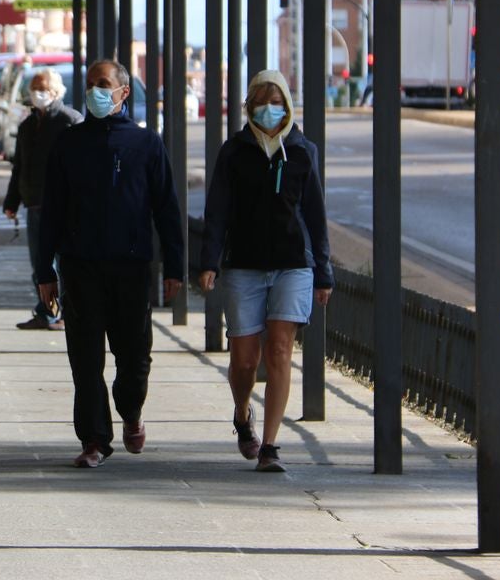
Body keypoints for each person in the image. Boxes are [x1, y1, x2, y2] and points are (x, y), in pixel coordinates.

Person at [37, 59, 185, 469]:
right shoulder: (69, 144)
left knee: (134, 357)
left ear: (123, 92)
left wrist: (175, 266)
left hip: (132, 267)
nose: (94, 92)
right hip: (80, 267)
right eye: (89, 85)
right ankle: (94, 439)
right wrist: (44, 272)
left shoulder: (146, 145)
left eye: (103, 84)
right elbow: (51, 212)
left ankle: (130, 410)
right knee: (85, 358)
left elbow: (167, 210)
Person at [198, 69, 333, 473]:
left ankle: (271, 445)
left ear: (288, 106)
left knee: (279, 349)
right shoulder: (234, 151)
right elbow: (217, 210)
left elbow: (316, 213)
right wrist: (209, 261)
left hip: (294, 265)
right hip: (244, 266)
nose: (270, 109)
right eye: (261, 101)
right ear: (249, 106)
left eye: (277, 102)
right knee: (244, 359)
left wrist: (323, 270)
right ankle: (242, 413)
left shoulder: (302, 150)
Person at [2, 69, 81, 330]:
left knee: (62, 262)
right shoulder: (27, 125)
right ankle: (48, 311)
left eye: (43, 88)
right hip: (35, 204)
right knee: (40, 264)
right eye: (34, 88)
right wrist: (11, 201)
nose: (38, 93)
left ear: (56, 92)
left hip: (62, 207)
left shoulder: (69, 121)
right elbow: (20, 166)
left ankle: (63, 312)